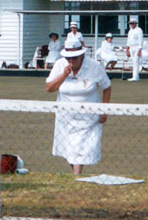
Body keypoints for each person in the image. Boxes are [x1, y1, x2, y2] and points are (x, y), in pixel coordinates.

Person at [45, 36, 111, 175]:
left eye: (74, 58)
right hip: (65, 116)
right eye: (68, 58)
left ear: (82, 55)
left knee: (80, 149)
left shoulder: (95, 66)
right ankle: (76, 175)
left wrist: (104, 110)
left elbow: (107, 87)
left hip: (89, 117)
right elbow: (49, 88)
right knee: (70, 151)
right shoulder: (59, 65)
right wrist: (63, 75)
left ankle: (77, 176)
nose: (71, 61)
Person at [125, 17, 143, 81]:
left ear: (135, 23)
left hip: (137, 47)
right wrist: (127, 50)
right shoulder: (130, 31)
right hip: (131, 47)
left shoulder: (139, 30)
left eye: (133, 23)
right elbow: (128, 41)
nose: (132, 25)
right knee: (133, 62)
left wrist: (139, 50)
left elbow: (141, 40)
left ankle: (135, 77)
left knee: (136, 61)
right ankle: (135, 76)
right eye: (131, 24)